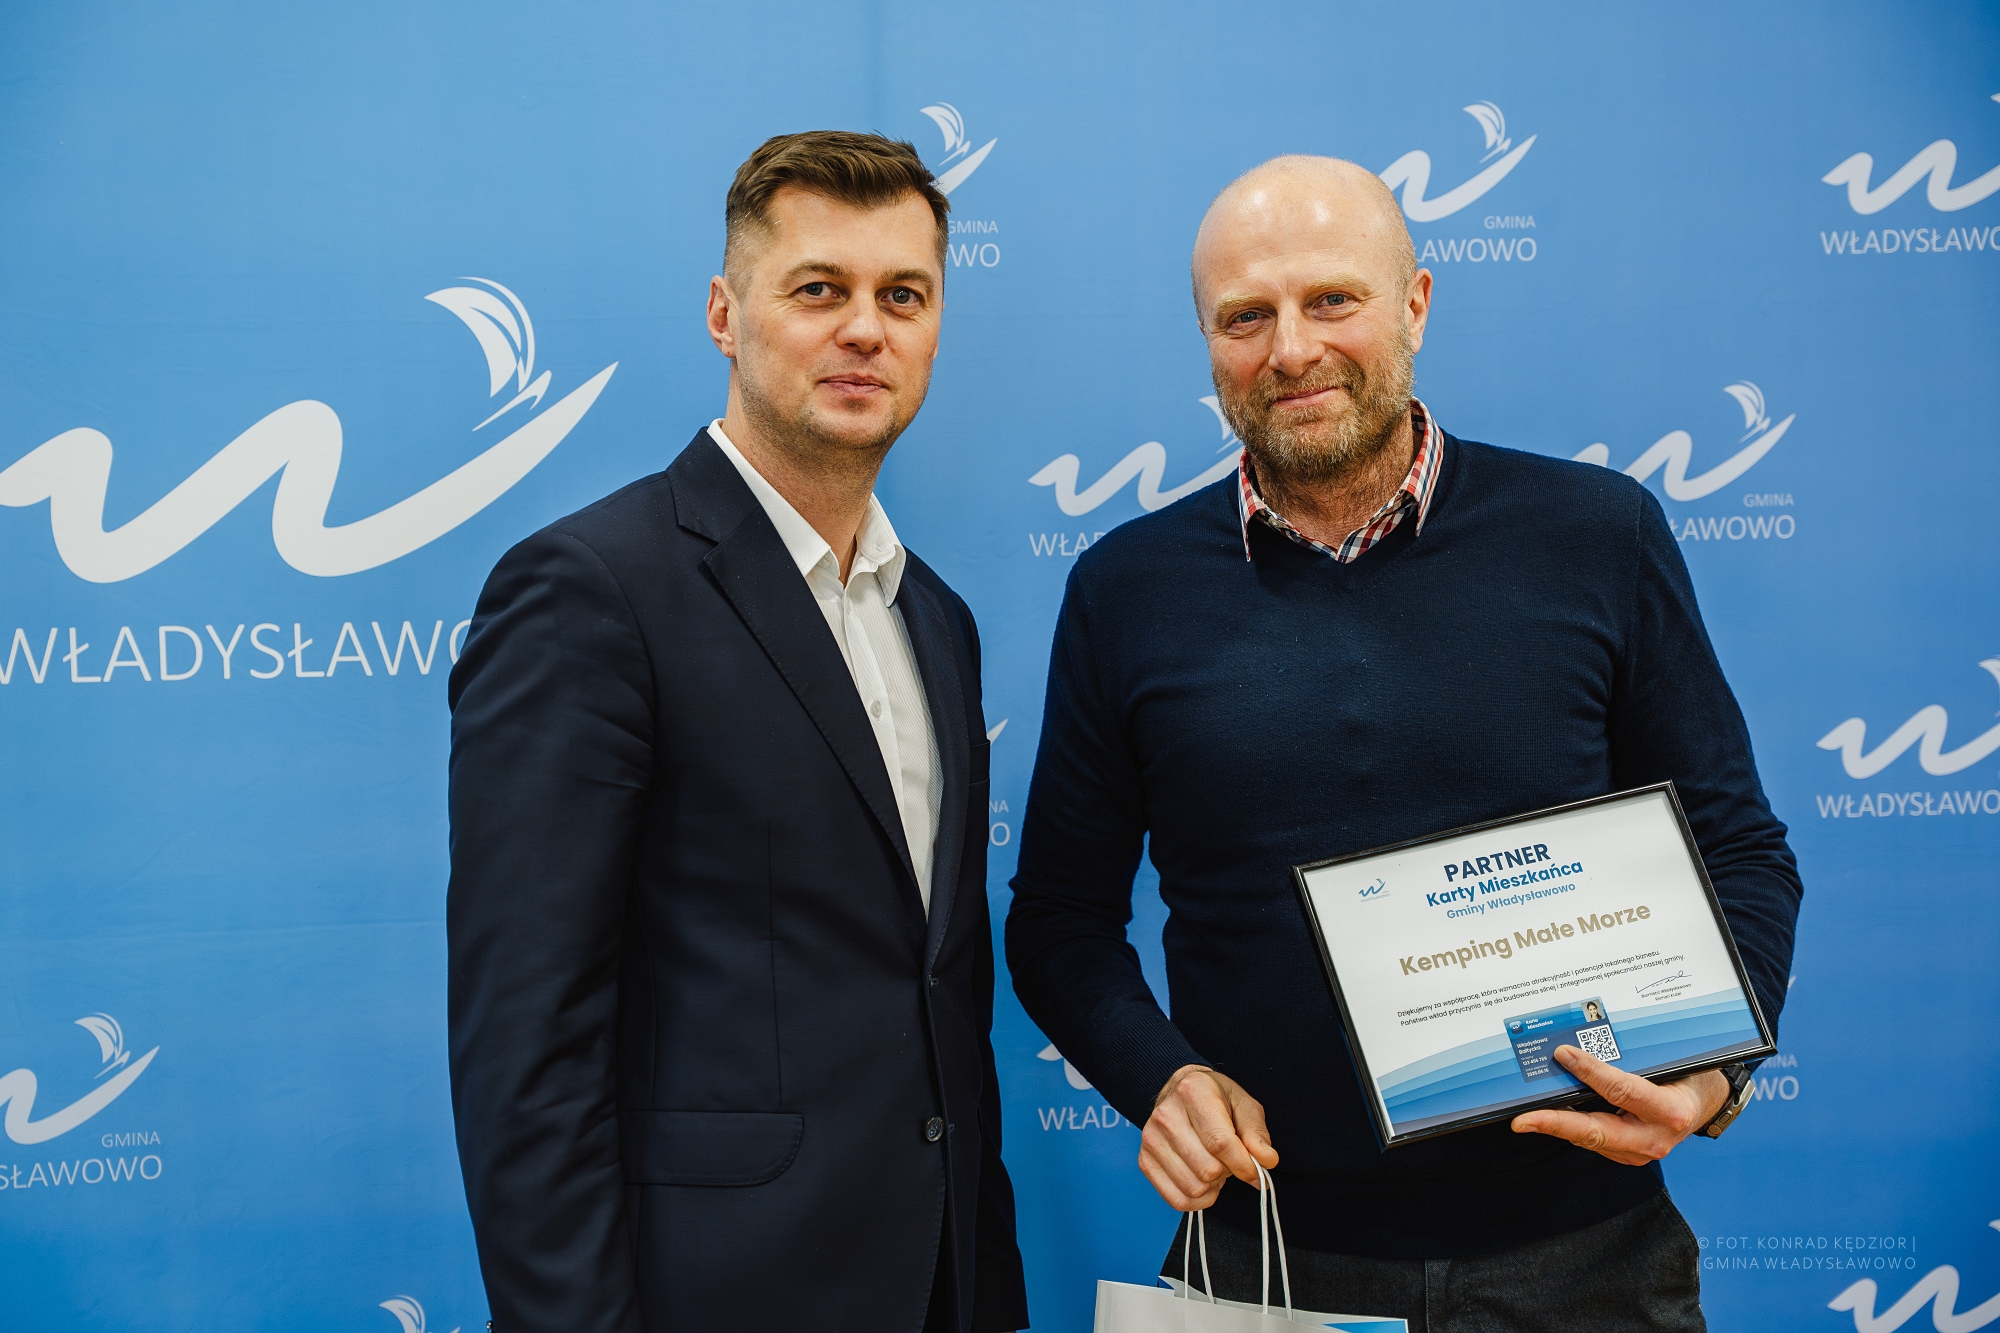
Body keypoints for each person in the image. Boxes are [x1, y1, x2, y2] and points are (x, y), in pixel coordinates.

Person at [1005, 156, 1801, 1331]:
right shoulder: (1123, 589)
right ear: (1206, 340)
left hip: (1587, 1261)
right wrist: (1159, 1076)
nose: (1290, 349)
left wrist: (1712, 1073)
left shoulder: (1596, 535)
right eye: (1244, 317)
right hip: (1267, 1263)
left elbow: (1736, 847)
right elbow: (1058, 920)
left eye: (1331, 300)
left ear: (1415, 304)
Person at [448, 131, 1028, 1333]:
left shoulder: (937, 619)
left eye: (902, 296)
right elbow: (527, 1046)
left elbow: (940, 1008)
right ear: (724, 313)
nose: (864, 328)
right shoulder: (589, 591)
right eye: (817, 289)